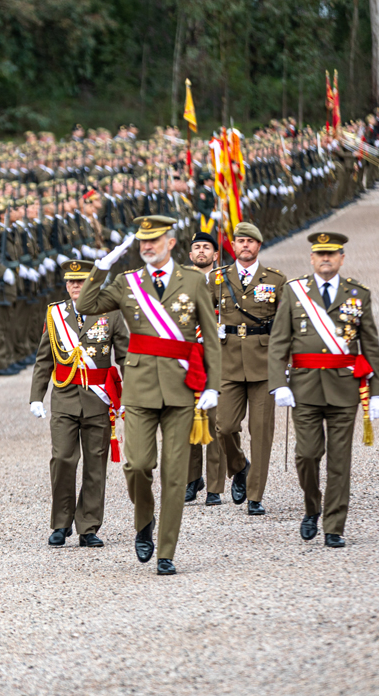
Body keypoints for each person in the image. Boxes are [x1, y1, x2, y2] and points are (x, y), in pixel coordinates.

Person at [76, 217, 221, 575]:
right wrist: (102, 266)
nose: (147, 246)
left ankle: (166, 551)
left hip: (180, 387)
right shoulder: (127, 283)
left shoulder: (193, 281)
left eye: (154, 240)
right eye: (142, 241)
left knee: (174, 474)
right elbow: (86, 306)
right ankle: (145, 521)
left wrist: (212, 385)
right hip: (139, 388)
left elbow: (212, 338)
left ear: (170, 243)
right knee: (137, 465)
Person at [268, 231, 379, 547]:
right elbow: (279, 341)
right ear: (311, 258)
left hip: (344, 389)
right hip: (304, 388)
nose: (325, 259)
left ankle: (334, 525)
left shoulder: (358, 294)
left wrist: (378, 391)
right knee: (306, 455)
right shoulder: (295, 293)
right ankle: (312, 506)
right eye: (320, 254)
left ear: (341, 259)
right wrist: (278, 383)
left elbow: (371, 346)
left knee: (339, 461)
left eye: (331, 254)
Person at [29, 259, 127, 548]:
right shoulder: (55, 314)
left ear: (93, 284)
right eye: (71, 282)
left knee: (95, 464)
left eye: (82, 281)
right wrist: (36, 396)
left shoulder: (111, 314)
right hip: (65, 397)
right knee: (62, 460)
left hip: (98, 399)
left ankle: (88, 526)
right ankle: (61, 523)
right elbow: (44, 359)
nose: (75, 286)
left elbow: (124, 358)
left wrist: (129, 395)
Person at [209, 222, 285, 515]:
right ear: (234, 246)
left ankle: (255, 495)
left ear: (258, 246)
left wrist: (284, 365)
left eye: (250, 242)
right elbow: (202, 314)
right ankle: (239, 465)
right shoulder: (218, 279)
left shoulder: (275, 281)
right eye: (240, 241)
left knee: (261, 431)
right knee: (224, 427)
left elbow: (284, 325)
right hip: (228, 362)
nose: (245, 245)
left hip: (263, 364)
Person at [184, 231, 231, 505]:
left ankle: (214, 485)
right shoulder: (179, 282)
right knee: (187, 419)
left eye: (207, 247)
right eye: (197, 248)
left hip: (217, 355)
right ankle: (192, 479)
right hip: (188, 356)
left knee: (217, 422)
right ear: (190, 255)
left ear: (216, 254)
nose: (201, 251)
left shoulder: (227, 281)